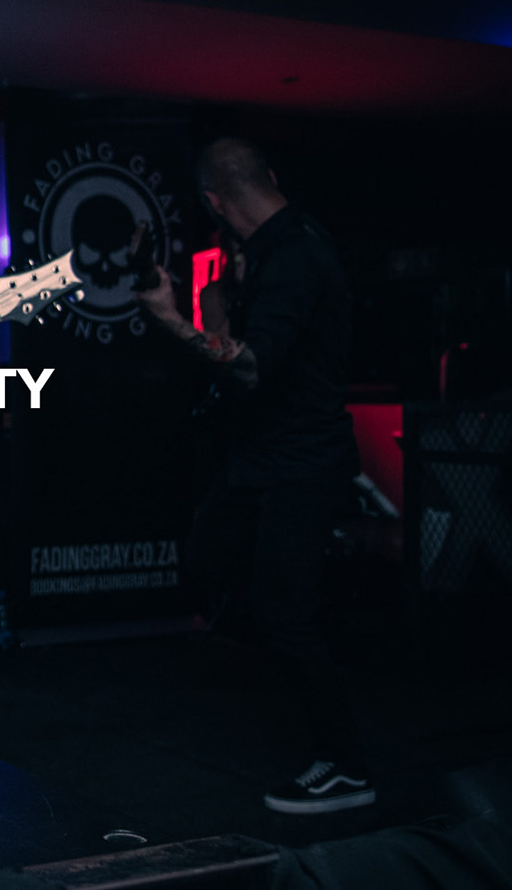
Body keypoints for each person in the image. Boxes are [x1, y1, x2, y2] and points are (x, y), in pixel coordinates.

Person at [134, 137, 370, 814]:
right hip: (259, 458)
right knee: (207, 554)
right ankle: (295, 596)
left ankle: (347, 766)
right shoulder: (271, 248)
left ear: (213, 201)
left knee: (284, 613)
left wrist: (172, 320)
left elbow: (251, 368)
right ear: (271, 175)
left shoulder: (296, 254)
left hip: (300, 463)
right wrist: (213, 308)